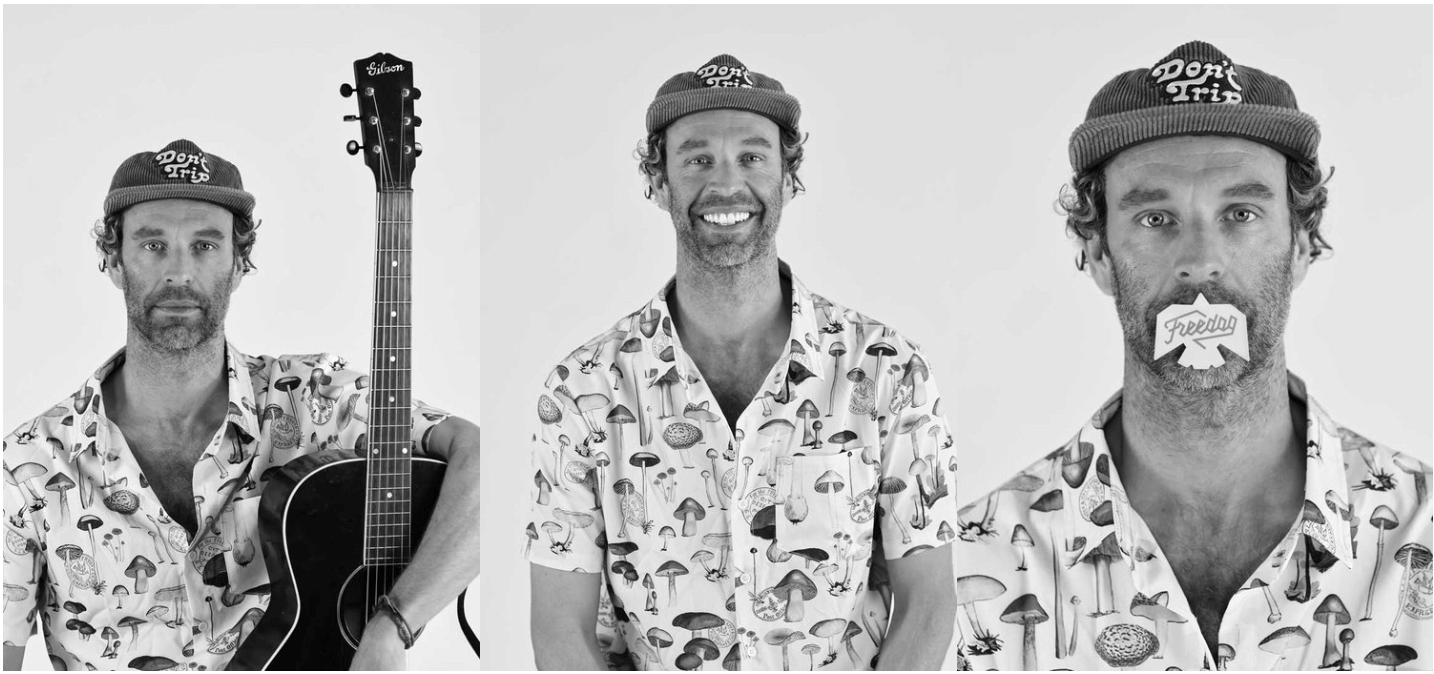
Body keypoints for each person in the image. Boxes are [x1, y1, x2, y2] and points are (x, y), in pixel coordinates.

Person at [955, 41, 1432, 671]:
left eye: (1241, 213)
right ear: (1099, 253)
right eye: (1156, 218)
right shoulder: (964, 575)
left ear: (1301, 246)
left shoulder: (1422, 534)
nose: (1200, 259)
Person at [526, 55, 956, 670]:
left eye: (752, 157)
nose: (726, 184)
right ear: (659, 182)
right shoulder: (579, 389)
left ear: (787, 178)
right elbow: (560, 632)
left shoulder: (889, 371)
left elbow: (929, 606)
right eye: (697, 159)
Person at [1, 139, 481, 671]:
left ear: (240, 263)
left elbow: (484, 459)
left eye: (205, 246)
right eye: (153, 245)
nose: (179, 273)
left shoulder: (312, 400)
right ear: (113, 261)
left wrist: (396, 622)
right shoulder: (29, 466)